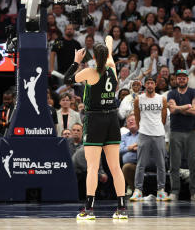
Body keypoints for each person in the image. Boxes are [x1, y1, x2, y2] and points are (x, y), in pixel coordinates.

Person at [63, 35, 128, 220]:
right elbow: (108, 45)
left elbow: (67, 80)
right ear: (107, 56)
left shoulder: (89, 73)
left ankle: (89, 209)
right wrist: (108, 40)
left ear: (93, 57)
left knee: (92, 167)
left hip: (95, 120)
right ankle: (122, 209)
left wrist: (76, 61)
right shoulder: (113, 69)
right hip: (112, 119)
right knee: (115, 167)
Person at [131, 77, 168, 201]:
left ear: (155, 84)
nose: (150, 85)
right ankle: (138, 190)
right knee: (141, 164)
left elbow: (163, 118)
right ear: (144, 85)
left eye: (152, 83)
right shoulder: (138, 99)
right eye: (148, 83)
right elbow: (137, 117)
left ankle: (161, 190)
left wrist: (157, 127)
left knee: (161, 164)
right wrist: (143, 127)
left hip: (159, 133)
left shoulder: (162, 98)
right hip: (144, 133)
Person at [167, 69, 195, 201]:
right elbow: (171, 109)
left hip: (191, 131)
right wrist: (187, 106)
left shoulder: (194, 92)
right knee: (174, 164)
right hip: (176, 131)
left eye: (184, 77)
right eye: (179, 77)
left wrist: (179, 108)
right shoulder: (172, 93)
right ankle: (174, 191)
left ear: (187, 79)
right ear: (176, 80)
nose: (181, 79)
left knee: (193, 163)